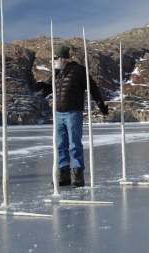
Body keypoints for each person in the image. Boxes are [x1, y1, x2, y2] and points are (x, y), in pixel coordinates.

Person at [35, 45, 108, 188]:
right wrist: (42, 86)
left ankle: (78, 176)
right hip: (58, 113)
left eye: (55, 58)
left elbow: (93, 88)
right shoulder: (56, 73)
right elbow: (50, 88)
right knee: (61, 145)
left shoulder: (79, 71)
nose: (53, 61)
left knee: (75, 145)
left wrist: (101, 106)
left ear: (63, 59)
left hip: (73, 114)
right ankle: (64, 175)